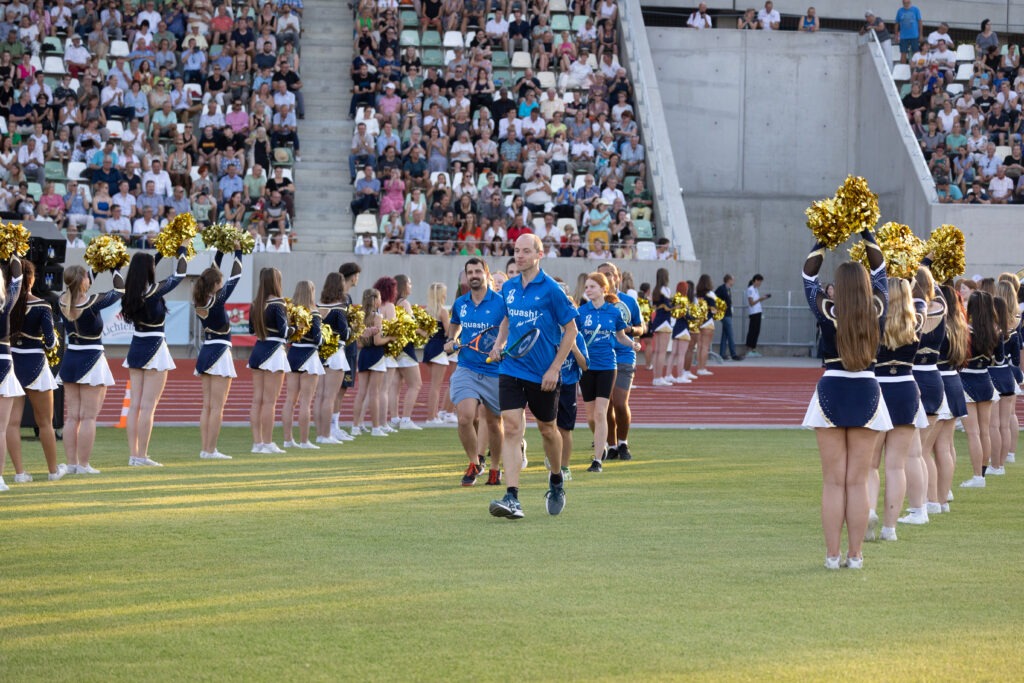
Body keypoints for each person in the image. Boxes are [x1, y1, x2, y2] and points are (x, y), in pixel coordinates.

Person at [802, 229, 891, 569]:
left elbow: (808, 275)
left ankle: (831, 555)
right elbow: (881, 272)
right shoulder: (878, 307)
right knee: (857, 481)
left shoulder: (826, 309)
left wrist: (825, 237)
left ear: (838, 287)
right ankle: (855, 556)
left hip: (832, 389)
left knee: (833, 481)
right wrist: (868, 235)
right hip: (867, 389)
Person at [488, 234, 578, 519]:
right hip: (511, 369)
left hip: (544, 374)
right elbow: (506, 319)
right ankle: (512, 496)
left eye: (526, 251)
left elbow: (571, 331)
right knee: (512, 429)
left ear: (539, 254)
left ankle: (555, 479)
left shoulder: (552, 290)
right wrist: (499, 343)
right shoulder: (510, 287)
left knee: (548, 431)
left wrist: (554, 368)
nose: (520, 255)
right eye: (517, 250)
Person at [866, 277, 927, 541]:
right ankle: (889, 528)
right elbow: (925, 297)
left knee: (870, 464)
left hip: (877, 388)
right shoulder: (918, 321)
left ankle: (868, 511)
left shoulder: (873, 322)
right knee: (896, 466)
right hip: (905, 388)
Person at [121, 243, 188, 467]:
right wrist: (182, 249)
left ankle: (134, 455)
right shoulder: (154, 291)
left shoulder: (132, 292)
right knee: (148, 406)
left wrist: (161, 251)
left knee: (135, 405)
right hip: (155, 348)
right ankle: (142, 455)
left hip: (136, 346)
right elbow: (180, 274)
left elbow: (146, 269)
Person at [446, 259, 506, 486]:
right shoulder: (460, 303)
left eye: (477, 271)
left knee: (493, 422)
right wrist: (451, 339)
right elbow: (455, 324)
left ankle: (495, 467)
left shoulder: (500, 302)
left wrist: (500, 345)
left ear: (486, 274)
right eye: (469, 272)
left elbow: (509, 328)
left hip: (494, 369)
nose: (473, 275)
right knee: (465, 418)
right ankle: (474, 463)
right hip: (467, 367)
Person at [58, 265, 123, 475]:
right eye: (87, 277)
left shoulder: (62, 300)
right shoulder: (93, 302)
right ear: (83, 281)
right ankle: (84, 465)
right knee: (88, 417)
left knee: (72, 416)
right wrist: (115, 268)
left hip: (71, 358)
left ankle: (71, 464)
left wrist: (95, 265)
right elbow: (120, 290)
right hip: (91, 359)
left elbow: (79, 286)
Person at [577, 271, 638, 473]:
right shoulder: (581, 312)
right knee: (591, 416)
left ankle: (597, 460)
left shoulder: (614, 312)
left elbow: (620, 336)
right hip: (586, 367)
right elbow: (573, 337)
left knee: (602, 411)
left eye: (592, 286)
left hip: (607, 366)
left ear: (603, 289)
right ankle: (601, 443)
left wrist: (632, 344)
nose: (588, 290)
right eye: (586, 287)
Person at [7, 261, 62, 482]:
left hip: (11, 365)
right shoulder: (42, 306)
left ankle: (20, 473)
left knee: (12, 423)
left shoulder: (6, 305)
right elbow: (50, 343)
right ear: (31, 279)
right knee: (45, 423)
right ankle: (53, 471)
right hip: (36, 366)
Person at [192, 246, 244, 460]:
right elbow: (237, 275)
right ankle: (211, 450)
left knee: (208, 406)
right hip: (220, 352)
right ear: (215, 285)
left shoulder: (201, 301)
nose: (222, 285)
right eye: (219, 283)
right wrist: (238, 252)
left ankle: (206, 448)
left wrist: (222, 252)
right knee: (217, 407)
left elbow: (210, 272)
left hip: (206, 351)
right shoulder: (217, 300)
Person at [597, 262, 644, 461]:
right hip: (602, 356)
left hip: (624, 355)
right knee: (605, 405)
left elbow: (641, 328)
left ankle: (623, 442)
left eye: (610, 274)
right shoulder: (594, 303)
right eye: (602, 275)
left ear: (618, 278)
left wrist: (629, 331)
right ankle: (612, 445)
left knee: (619, 402)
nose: (607, 278)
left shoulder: (629, 301)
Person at [959, 290, 999, 488]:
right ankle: (981, 473)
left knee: (973, 433)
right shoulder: (995, 330)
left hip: (967, 381)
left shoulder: (967, 331)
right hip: (985, 380)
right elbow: (998, 360)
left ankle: (977, 477)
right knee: (984, 430)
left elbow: (959, 359)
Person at [248, 267, 290, 454]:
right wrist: (299, 328)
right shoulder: (278, 303)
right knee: (270, 401)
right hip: (273, 351)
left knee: (258, 400)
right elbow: (284, 332)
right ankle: (268, 442)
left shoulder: (256, 303)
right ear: (276, 282)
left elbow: (251, 329)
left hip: (258, 349)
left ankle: (257, 443)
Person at [282, 281, 324, 450]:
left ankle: (287, 440)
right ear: (311, 292)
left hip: (293, 354)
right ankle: (304, 441)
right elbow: (317, 339)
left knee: (290, 400)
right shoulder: (314, 313)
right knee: (305, 402)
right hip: (309, 356)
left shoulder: (291, 312)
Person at [314, 272, 352, 445]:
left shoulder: (317, 305)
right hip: (335, 352)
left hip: (319, 353)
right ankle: (326, 435)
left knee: (319, 396)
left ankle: (319, 434)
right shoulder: (340, 308)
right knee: (329, 397)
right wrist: (355, 329)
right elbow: (345, 333)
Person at [350, 287, 390, 437]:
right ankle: (375, 428)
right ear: (374, 300)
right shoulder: (377, 316)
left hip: (364, 354)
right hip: (376, 354)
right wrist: (391, 338)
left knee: (361, 392)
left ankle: (355, 426)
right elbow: (378, 341)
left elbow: (359, 342)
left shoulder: (360, 316)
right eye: (379, 297)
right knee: (375, 394)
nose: (381, 300)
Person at [0, 257, 23, 492]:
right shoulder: (6, 303)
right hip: (3, 361)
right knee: (0, 428)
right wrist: (14, 253)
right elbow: (18, 278)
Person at [421, 282, 452, 426]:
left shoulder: (427, 311)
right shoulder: (442, 311)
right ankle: (431, 417)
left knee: (433, 385)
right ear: (441, 295)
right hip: (439, 349)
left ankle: (432, 416)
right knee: (436, 386)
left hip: (429, 348)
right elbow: (448, 332)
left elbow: (424, 333)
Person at [665, 281, 693, 384]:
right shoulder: (684, 300)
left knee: (673, 353)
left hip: (676, 327)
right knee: (681, 354)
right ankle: (680, 376)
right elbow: (685, 314)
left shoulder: (675, 298)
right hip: (684, 328)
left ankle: (668, 374)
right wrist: (692, 317)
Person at [649, 268, 673, 386]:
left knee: (657, 351)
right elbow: (668, 307)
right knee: (662, 352)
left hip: (657, 321)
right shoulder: (666, 289)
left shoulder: (655, 290)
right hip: (665, 322)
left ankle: (656, 377)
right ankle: (659, 377)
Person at [715, 274, 741, 361]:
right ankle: (733, 354)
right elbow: (714, 298)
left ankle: (722, 354)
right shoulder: (721, 289)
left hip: (728, 313)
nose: (733, 281)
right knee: (730, 334)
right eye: (733, 280)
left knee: (725, 334)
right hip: (724, 314)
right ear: (728, 280)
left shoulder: (728, 289)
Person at [746, 274, 769, 356]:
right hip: (753, 313)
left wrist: (762, 299)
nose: (760, 283)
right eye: (759, 281)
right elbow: (751, 303)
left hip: (758, 312)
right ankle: (749, 349)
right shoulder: (750, 289)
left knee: (756, 331)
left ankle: (753, 349)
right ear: (755, 280)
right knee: (752, 331)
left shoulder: (755, 289)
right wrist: (760, 299)